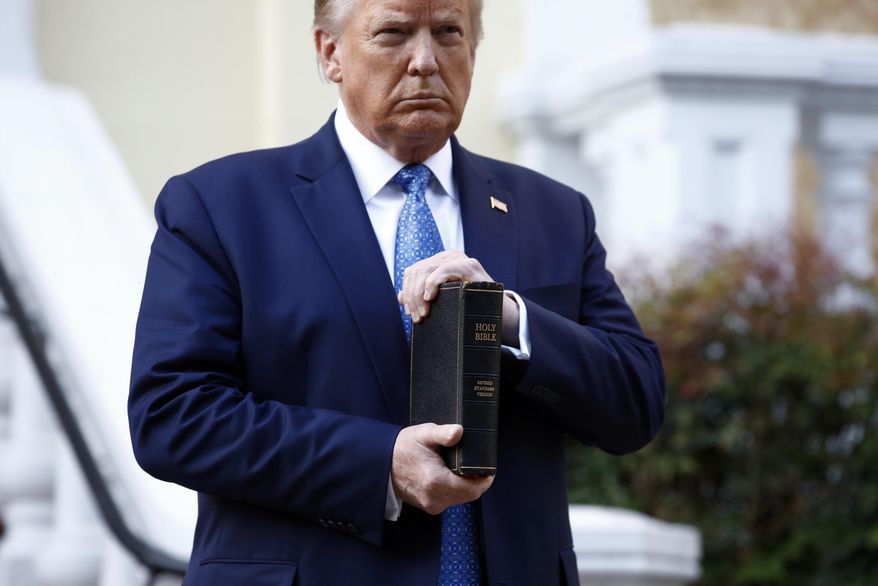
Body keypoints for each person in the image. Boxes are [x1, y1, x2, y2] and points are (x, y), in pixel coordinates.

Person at [128, 0, 665, 584]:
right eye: (394, 33)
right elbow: (173, 415)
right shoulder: (222, 206)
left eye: (449, 33)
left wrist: (507, 317)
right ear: (330, 52)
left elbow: (636, 402)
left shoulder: (554, 213)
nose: (425, 62)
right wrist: (379, 463)